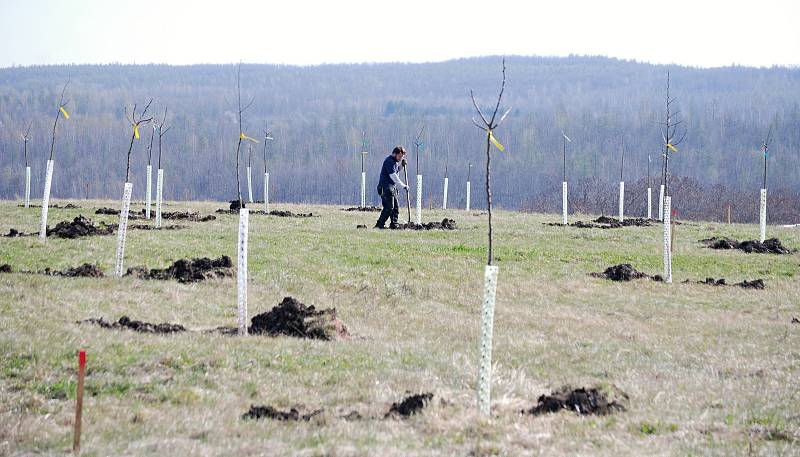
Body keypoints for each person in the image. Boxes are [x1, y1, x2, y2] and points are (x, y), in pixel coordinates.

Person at [374, 146, 409, 229]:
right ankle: (379, 225)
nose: (400, 158)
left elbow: (396, 171)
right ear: (394, 154)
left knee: (395, 207)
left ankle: (394, 224)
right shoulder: (389, 161)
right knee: (389, 207)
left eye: (402, 157)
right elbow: (393, 176)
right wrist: (403, 186)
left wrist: (401, 166)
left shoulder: (394, 162)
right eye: (399, 156)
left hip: (392, 188)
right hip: (385, 187)